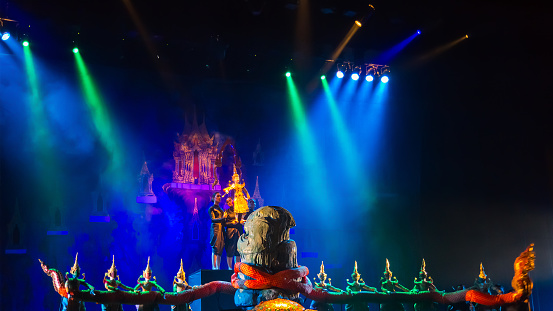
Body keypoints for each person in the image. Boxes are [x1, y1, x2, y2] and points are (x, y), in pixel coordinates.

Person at [208, 192, 226, 269]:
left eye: (220, 196)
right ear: (213, 198)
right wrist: (223, 218)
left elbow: (224, 221)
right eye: (217, 196)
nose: (219, 197)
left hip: (221, 229)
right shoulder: (211, 208)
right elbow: (213, 219)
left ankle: (218, 267)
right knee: (215, 247)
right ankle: (214, 267)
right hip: (215, 228)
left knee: (220, 247)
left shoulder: (221, 209)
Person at [224, 197, 242, 269]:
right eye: (227, 202)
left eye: (230, 201)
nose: (229, 202)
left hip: (238, 231)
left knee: (238, 249)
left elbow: (241, 219)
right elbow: (225, 223)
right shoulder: (226, 212)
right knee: (230, 249)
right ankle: (229, 267)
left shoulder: (238, 210)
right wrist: (232, 223)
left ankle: (237, 267)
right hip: (230, 231)